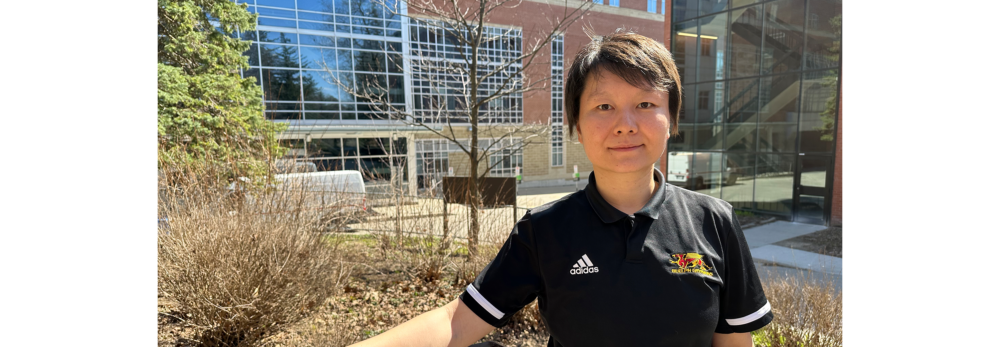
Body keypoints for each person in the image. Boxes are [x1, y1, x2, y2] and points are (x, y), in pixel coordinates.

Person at [350, 30, 772, 347]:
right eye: (603, 106)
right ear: (576, 126)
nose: (626, 122)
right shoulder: (545, 230)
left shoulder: (714, 221)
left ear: (672, 120)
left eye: (645, 104)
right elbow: (458, 322)